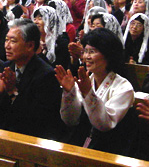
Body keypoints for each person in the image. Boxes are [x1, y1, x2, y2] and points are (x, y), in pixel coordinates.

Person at [56, 28, 143, 157]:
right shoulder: (85, 81)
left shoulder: (123, 87)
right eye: (85, 51)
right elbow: (71, 120)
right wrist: (70, 92)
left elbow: (104, 124)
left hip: (111, 150)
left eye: (92, 52)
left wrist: (88, 93)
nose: (87, 57)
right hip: (83, 143)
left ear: (108, 55)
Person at [0, 19, 66, 140]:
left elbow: (38, 119)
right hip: (4, 133)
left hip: (32, 139)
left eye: (13, 41)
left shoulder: (46, 75)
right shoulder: (5, 67)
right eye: (6, 40)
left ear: (30, 45)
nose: (7, 45)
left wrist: (12, 92)